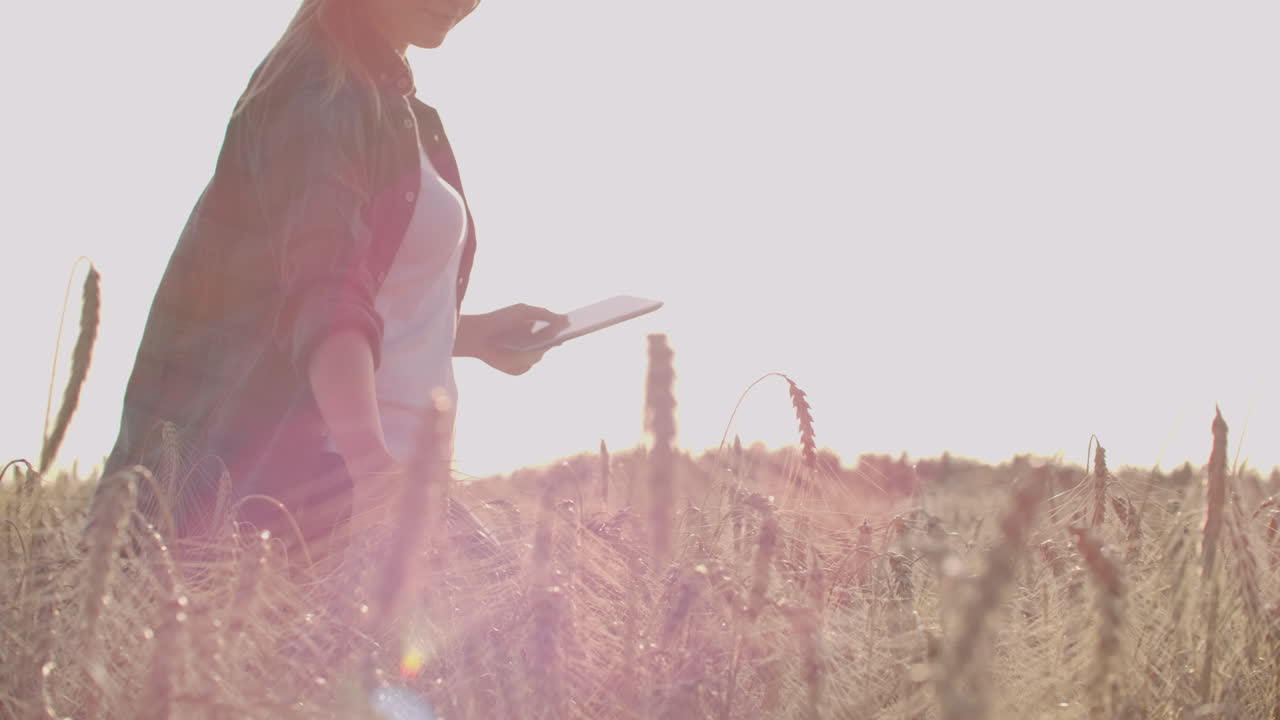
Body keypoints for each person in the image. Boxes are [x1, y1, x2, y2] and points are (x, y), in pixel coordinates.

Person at [93, 0, 567, 567]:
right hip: (323, 487)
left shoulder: (390, 104)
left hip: (388, 479)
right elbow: (325, 295)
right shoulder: (319, 98)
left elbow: (347, 300)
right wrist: (369, 464)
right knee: (506, 628)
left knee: (511, 630)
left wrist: (470, 334)